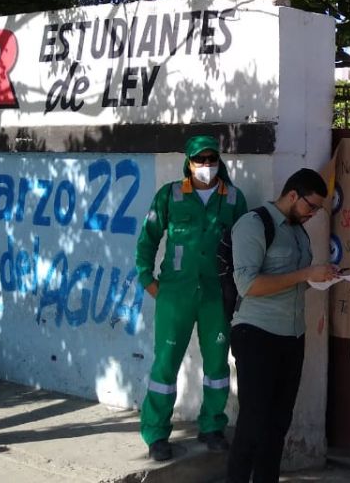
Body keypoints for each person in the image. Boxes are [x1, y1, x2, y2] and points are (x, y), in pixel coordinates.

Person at [136, 135, 248, 461]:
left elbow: (245, 247)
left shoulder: (233, 200)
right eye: (200, 159)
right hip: (174, 296)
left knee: (217, 366)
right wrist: (148, 280)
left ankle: (212, 426)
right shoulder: (169, 196)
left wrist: (240, 290)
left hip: (217, 295)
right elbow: (148, 239)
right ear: (188, 162)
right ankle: (156, 433)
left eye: (211, 158)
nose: (206, 165)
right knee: (165, 366)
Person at [226, 168, 339, 483]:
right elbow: (247, 285)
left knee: (278, 426)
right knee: (252, 424)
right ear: (292, 195)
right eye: (310, 206)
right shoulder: (253, 225)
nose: (313, 214)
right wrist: (305, 275)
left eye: (317, 209)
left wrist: (324, 277)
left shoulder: (298, 231)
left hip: (292, 337)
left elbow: (296, 281)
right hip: (257, 335)